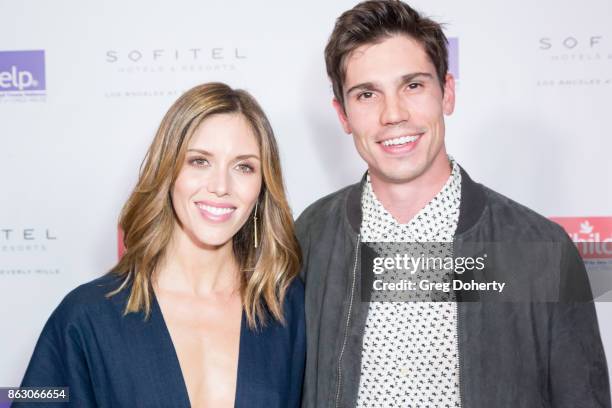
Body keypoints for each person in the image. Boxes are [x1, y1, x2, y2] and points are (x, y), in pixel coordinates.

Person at [296, 1, 610, 407]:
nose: (393, 114)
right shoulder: (311, 239)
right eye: (367, 94)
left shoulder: (535, 251)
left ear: (448, 92)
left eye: (413, 85)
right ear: (343, 114)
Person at [15, 83, 305, 407]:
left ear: (263, 186)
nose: (221, 186)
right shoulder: (86, 316)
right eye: (199, 161)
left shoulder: (291, 310)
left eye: (244, 166)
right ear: (167, 170)